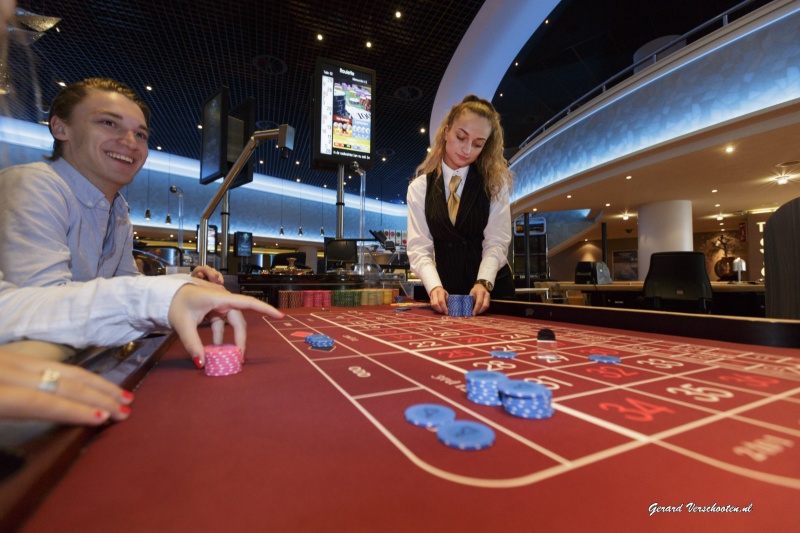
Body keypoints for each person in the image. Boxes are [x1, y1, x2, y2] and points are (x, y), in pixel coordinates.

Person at [0, 77, 222, 287]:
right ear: (60, 128)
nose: (130, 142)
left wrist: (186, 284)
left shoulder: (118, 209)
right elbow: (42, 306)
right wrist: (171, 294)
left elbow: (125, 283)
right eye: (109, 122)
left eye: (140, 135)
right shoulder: (32, 185)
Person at [0, 270, 285, 425]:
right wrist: (162, 297)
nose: (137, 155)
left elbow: (129, 282)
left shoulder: (119, 211)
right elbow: (38, 298)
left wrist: (182, 286)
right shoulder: (38, 184)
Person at [407, 95, 514, 316]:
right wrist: (434, 287)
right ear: (446, 132)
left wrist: (484, 282)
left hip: (493, 293)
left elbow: (496, 242)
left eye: (477, 144)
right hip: (449, 296)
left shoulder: (495, 185)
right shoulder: (419, 188)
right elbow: (419, 249)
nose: (467, 150)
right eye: (461, 137)